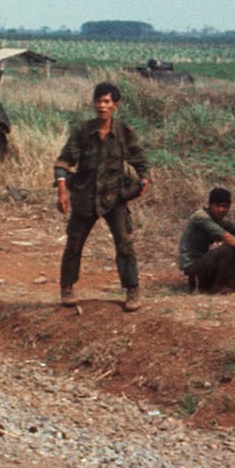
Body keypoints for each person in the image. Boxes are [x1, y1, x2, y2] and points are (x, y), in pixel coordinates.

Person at [54, 81, 150, 311]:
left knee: (125, 244)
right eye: (98, 101)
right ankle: (67, 287)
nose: (102, 106)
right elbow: (64, 161)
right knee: (74, 243)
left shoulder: (124, 132)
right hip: (85, 196)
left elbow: (139, 159)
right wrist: (62, 191)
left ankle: (132, 290)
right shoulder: (83, 131)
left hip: (115, 197)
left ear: (115, 105)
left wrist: (144, 179)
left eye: (107, 101)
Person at [177, 187, 235, 292]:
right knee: (229, 248)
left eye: (225, 206)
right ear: (209, 205)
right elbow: (227, 238)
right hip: (192, 266)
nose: (221, 209)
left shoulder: (219, 220)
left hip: (203, 262)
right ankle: (218, 285)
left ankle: (231, 281)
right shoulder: (201, 217)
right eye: (217, 206)